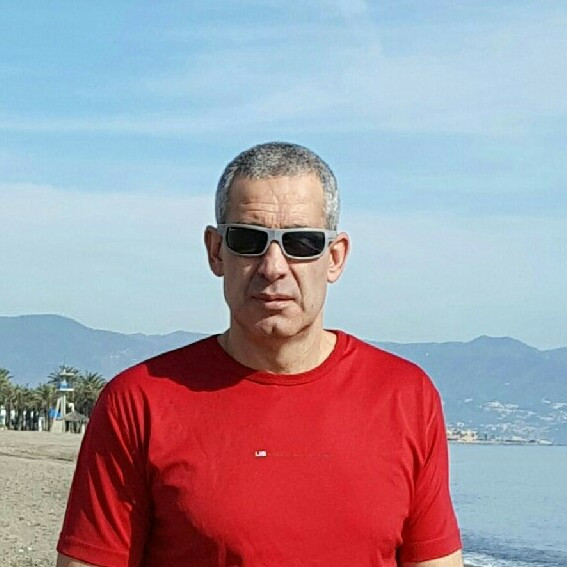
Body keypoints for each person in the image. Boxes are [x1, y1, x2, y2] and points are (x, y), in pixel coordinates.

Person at [56, 142, 463, 567]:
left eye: (301, 242)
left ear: (335, 258)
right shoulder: (138, 403)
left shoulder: (405, 397)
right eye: (248, 240)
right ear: (216, 251)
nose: (273, 266)